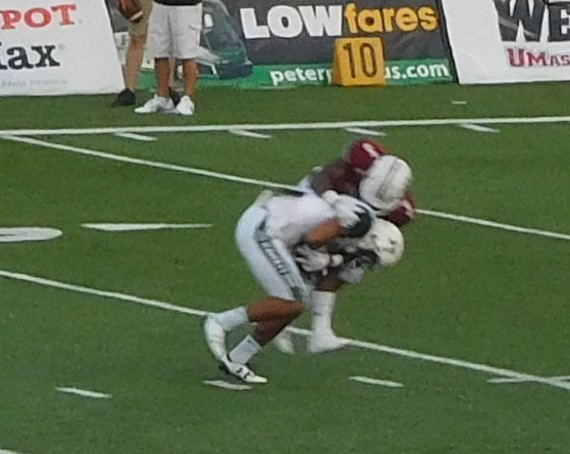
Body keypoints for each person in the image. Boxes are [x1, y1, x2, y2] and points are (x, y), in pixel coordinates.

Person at [202, 155, 412, 383]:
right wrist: (327, 258)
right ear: (373, 239)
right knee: (293, 301)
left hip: (274, 226)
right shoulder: (363, 220)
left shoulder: (359, 215)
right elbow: (313, 239)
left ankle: (239, 357)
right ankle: (221, 322)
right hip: (265, 228)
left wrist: (329, 260)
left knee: (296, 303)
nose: (363, 262)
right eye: (368, 257)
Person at [283, 139, 417, 353]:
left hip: (355, 223)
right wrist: (334, 200)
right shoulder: (363, 155)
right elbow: (323, 177)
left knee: (347, 267)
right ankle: (279, 318)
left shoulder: (402, 212)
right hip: (322, 199)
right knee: (299, 257)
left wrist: (334, 259)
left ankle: (320, 330)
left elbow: (363, 245)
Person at [135, 0, 202, 116]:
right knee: (159, 52)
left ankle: (187, 100)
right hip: (160, 5)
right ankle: (163, 97)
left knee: (187, 54)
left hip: (186, 6)